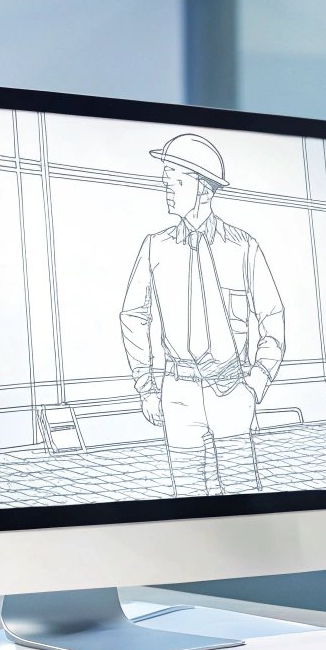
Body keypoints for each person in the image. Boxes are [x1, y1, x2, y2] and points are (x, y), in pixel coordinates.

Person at [120, 134, 285, 497]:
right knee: (188, 498)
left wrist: (257, 382)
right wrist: (146, 388)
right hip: (177, 393)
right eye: (166, 179)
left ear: (204, 191)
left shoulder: (243, 247)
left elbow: (271, 316)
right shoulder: (155, 247)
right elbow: (133, 315)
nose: (166, 187)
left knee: (243, 494)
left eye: (176, 180)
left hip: (232, 390)